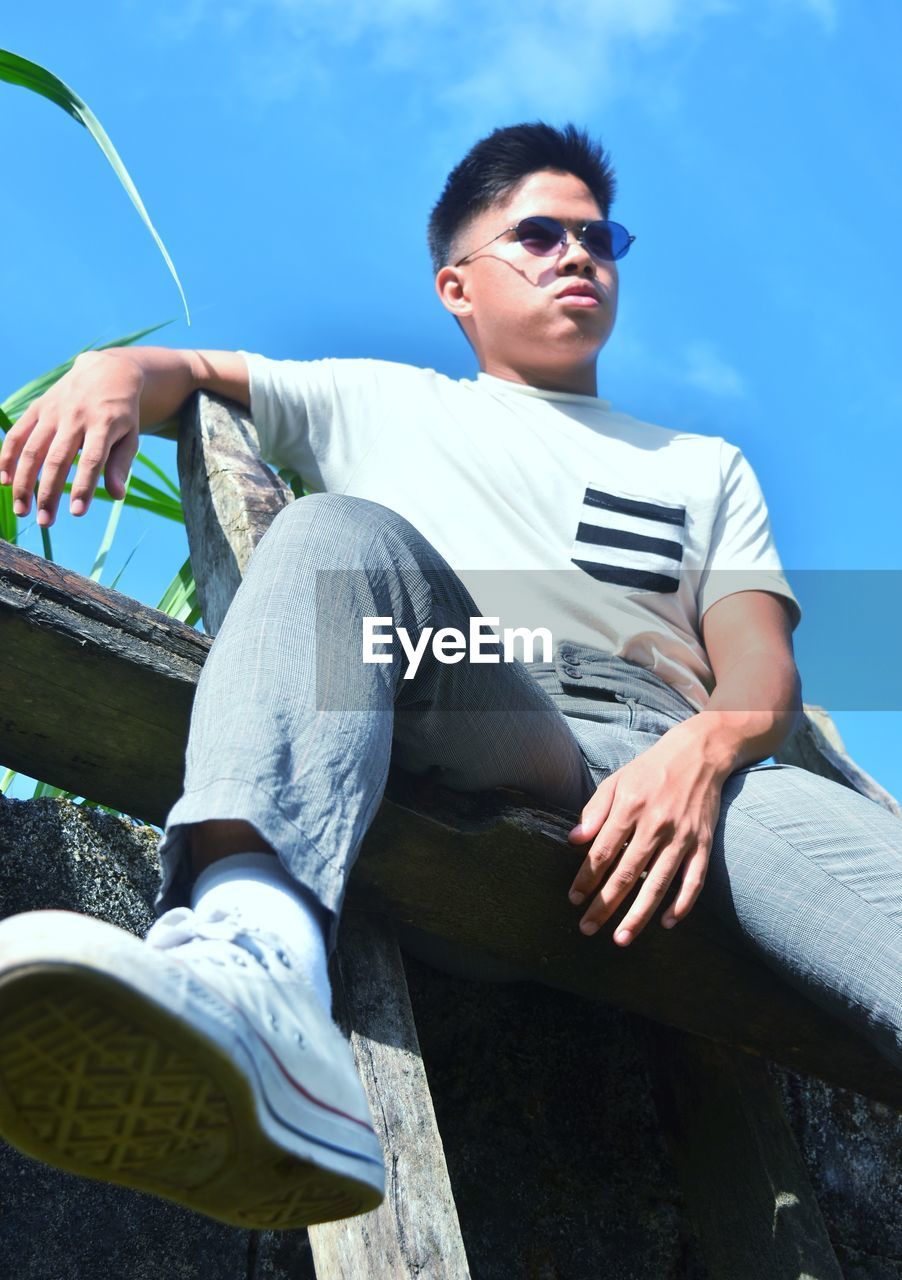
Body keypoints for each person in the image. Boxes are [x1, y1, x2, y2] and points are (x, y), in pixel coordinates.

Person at [0, 122, 900, 1234]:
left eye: (597, 236)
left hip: (690, 754)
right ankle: (252, 976)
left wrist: (703, 753)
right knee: (336, 536)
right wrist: (105, 372)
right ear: (456, 284)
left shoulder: (699, 465)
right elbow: (182, 369)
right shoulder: (375, 397)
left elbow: (759, 670)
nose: (578, 254)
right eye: (538, 234)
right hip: (490, 690)